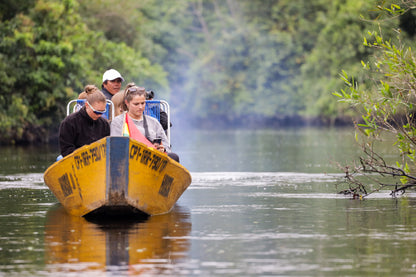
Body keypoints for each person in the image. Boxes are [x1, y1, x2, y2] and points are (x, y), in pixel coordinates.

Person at [110, 86, 180, 162]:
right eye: (136, 104)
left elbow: (167, 147)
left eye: (143, 103)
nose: (140, 107)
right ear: (127, 103)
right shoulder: (118, 122)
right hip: (130, 160)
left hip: (153, 161)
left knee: (174, 156)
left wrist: (163, 149)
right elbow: (115, 148)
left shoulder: (153, 122)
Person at [59, 85, 110, 157]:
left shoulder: (104, 124)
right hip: (75, 161)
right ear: (87, 105)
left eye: (102, 112)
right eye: (96, 112)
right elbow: (66, 149)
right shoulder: (69, 122)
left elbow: (107, 148)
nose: (99, 115)